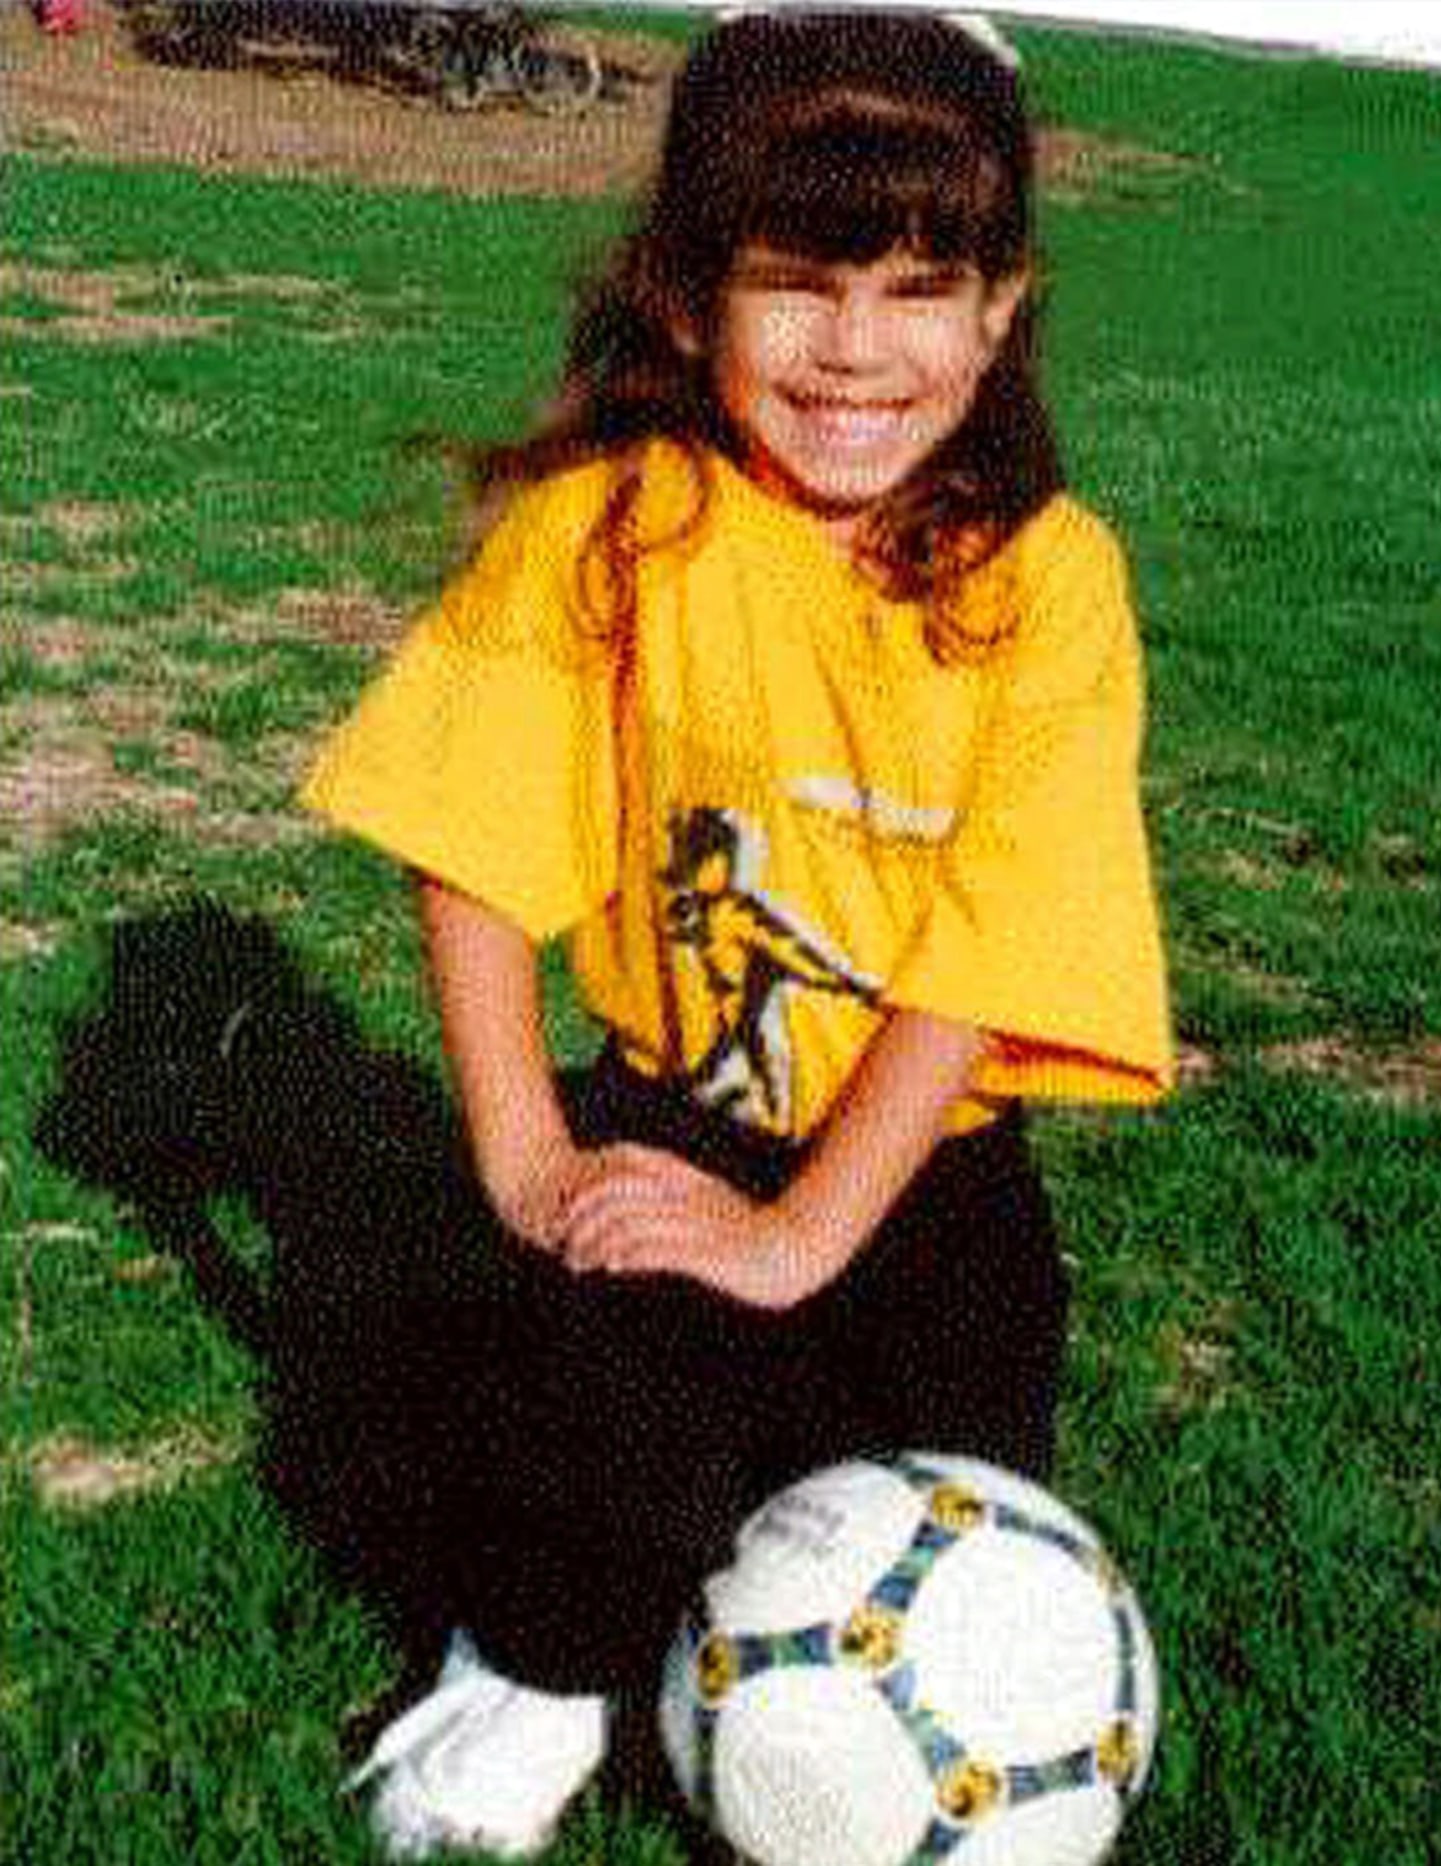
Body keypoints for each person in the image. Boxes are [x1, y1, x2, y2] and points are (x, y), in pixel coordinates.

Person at [301, 10, 1172, 1858]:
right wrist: (528, 1156)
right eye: (797, 282)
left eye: (919, 288)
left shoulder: (1051, 581)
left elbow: (987, 950)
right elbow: (468, 846)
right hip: (672, 1117)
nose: (857, 347)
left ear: (1001, 312)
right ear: (689, 299)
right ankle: (536, 1666)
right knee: (610, 1421)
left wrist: (799, 1238)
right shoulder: (613, 525)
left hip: (927, 1166)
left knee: (943, 1509)